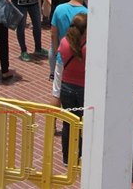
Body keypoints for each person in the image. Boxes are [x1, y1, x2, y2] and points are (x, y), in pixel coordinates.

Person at [51, 0, 89, 112]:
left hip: (63, 56)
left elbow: (53, 33)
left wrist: (57, 52)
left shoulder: (59, 9)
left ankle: (52, 123)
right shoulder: (87, 13)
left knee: (56, 93)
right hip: (80, 58)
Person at [58, 13, 87, 165]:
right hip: (83, 89)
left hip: (66, 87)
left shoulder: (63, 42)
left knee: (68, 124)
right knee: (84, 124)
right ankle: (82, 154)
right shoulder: (87, 47)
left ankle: (67, 158)